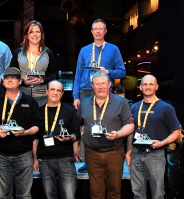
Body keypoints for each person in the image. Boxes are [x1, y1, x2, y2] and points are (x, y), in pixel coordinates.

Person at [73, 18, 126, 173]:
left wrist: (108, 71)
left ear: (105, 31)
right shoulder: (84, 50)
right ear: (91, 31)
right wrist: (76, 96)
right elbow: (78, 74)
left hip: (103, 89)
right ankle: (86, 160)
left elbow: (122, 71)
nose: (97, 31)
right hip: (85, 90)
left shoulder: (113, 49)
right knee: (85, 125)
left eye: (100, 28)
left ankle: (105, 157)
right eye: (95, 28)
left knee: (103, 121)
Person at [0, 67, 43, 198]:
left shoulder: (29, 102)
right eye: (6, 77)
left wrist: (25, 132)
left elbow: (38, 126)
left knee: (24, 195)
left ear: (20, 81)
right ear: (3, 81)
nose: (9, 79)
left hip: (24, 154)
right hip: (0, 155)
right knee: (3, 195)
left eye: (13, 77)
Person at [126, 74, 181, 199]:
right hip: (136, 154)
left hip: (155, 154)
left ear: (156, 87)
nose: (148, 87)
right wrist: (128, 152)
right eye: (145, 84)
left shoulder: (166, 108)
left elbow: (176, 132)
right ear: (140, 87)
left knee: (157, 194)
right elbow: (131, 131)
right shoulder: (134, 107)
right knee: (137, 194)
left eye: (151, 84)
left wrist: (162, 143)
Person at [81, 71, 134, 199]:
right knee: (96, 193)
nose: (101, 87)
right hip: (92, 154)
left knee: (114, 192)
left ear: (109, 84)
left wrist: (119, 134)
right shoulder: (84, 103)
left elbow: (130, 125)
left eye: (103, 83)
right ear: (92, 86)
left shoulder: (121, 102)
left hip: (114, 153)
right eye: (97, 84)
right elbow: (79, 124)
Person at [32, 80, 81, 199]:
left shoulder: (70, 110)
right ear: (47, 91)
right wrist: (35, 159)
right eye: (52, 90)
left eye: (58, 90)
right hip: (45, 161)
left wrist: (71, 138)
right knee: (50, 196)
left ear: (62, 93)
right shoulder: (38, 111)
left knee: (69, 196)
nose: (55, 93)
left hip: (65, 159)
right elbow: (35, 138)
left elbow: (76, 132)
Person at [9, 20, 58, 107]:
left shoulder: (48, 52)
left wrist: (43, 80)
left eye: (37, 32)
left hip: (42, 97)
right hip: (22, 96)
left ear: (41, 34)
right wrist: (23, 81)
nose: (35, 35)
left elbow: (55, 74)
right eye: (31, 32)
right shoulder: (18, 52)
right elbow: (12, 74)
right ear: (26, 35)